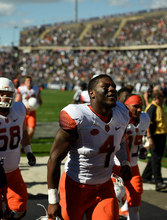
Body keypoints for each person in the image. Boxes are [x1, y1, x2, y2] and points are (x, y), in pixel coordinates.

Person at [47, 74, 132, 220]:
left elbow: (122, 140)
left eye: (113, 87)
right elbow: (54, 158)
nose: (112, 89)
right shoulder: (79, 117)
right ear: (91, 93)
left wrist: (125, 162)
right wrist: (52, 200)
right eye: (105, 87)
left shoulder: (122, 113)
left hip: (104, 186)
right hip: (75, 186)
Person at [0, 77, 36, 219]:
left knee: (19, 208)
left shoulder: (19, 109)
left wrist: (28, 151)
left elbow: (23, 132)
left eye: (8, 94)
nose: (4, 97)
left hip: (12, 171)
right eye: (1, 93)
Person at [113, 94, 150, 220]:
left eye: (141, 106)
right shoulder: (119, 120)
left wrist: (141, 148)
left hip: (133, 165)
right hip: (115, 165)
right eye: (136, 106)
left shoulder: (144, 118)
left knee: (136, 197)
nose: (139, 109)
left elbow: (140, 135)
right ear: (126, 106)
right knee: (116, 195)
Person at [142, 89, 167, 191]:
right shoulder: (152, 108)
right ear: (156, 98)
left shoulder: (159, 107)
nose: (163, 99)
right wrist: (150, 138)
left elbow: (163, 122)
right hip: (155, 137)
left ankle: (146, 177)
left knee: (155, 158)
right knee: (156, 159)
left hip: (162, 136)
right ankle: (158, 182)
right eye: (162, 97)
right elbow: (148, 124)